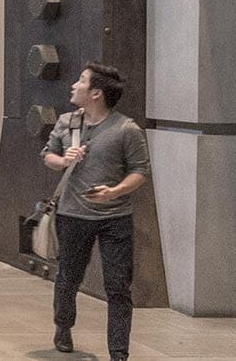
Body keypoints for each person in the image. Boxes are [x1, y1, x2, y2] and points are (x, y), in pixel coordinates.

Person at [44, 62, 150, 361]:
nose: (74, 86)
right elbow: (48, 156)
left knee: (118, 287)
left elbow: (140, 171)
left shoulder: (126, 130)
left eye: (81, 81)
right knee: (68, 278)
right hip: (73, 215)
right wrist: (63, 161)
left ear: (96, 94)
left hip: (115, 219)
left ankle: (119, 351)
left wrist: (115, 191)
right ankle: (63, 326)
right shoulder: (67, 123)